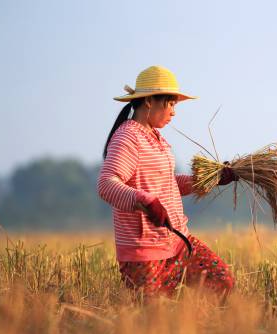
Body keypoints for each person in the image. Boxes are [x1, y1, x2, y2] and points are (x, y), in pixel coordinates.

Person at [97, 65, 237, 300]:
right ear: (150, 101)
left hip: (179, 242)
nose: (174, 111)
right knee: (155, 320)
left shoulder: (156, 137)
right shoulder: (128, 136)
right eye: (171, 103)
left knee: (223, 285)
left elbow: (167, 184)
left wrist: (210, 179)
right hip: (145, 253)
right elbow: (107, 184)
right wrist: (145, 201)